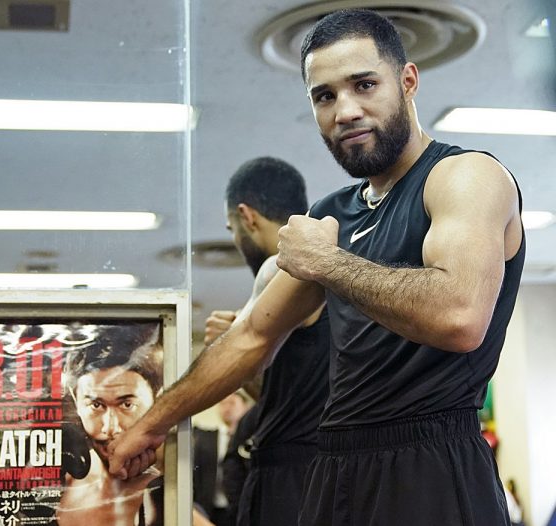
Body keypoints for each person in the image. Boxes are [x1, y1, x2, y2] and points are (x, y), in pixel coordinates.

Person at [108, 8, 524, 526]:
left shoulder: (464, 177)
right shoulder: (334, 215)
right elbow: (250, 338)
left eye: (364, 85)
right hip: (334, 467)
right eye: (324, 96)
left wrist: (329, 263)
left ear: (408, 81)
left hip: (432, 460)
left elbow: (460, 316)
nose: (345, 110)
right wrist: (151, 424)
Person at [203, 156, 330, 526]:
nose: (235, 239)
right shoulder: (334, 265)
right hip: (319, 473)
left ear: (247, 216)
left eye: (231, 228)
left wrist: (152, 424)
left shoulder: (282, 269)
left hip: (297, 480)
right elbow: (287, 399)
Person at [58, 323, 164, 526]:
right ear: (77, 403)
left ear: (156, 402)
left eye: (127, 404)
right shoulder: (58, 484)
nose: (111, 428)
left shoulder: (165, 491)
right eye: (96, 405)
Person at [192, 392, 252, 526]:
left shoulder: (253, 440)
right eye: (222, 404)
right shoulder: (206, 439)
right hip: (211, 510)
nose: (227, 408)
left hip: (241, 510)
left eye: (232, 403)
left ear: (246, 406)